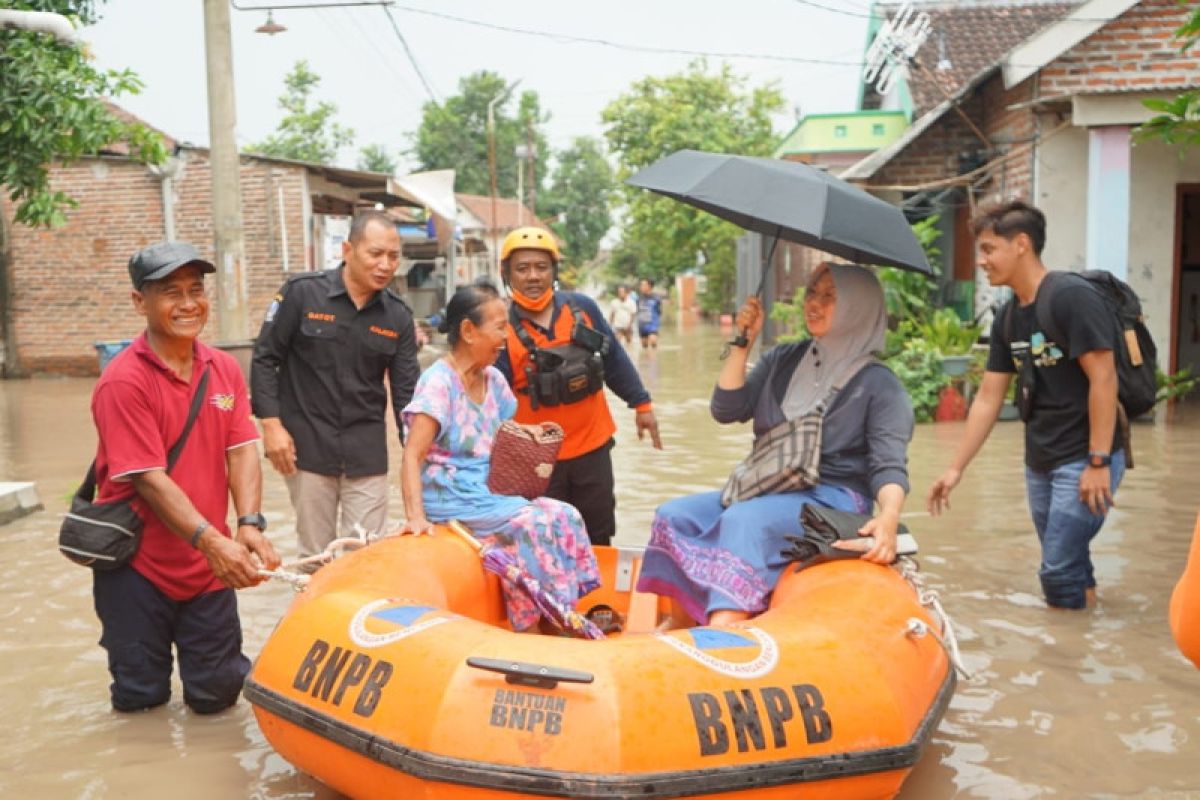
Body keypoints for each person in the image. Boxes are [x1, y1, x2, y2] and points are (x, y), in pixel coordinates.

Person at [636, 264, 914, 626]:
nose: (813, 304)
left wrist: (889, 516)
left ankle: (724, 633)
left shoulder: (880, 384)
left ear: (857, 308)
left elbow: (889, 464)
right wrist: (742, 344)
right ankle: (681, 624)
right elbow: (727, 409)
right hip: (768, 487)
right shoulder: (784, 359)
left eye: (829, 297)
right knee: (674, 515)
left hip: (833, 498)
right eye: (812, 292)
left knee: (742, 520)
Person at [89, 241, 281, 713]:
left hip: (207, 571)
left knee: (218, 696)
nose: (189, 303)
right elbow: (148, 478)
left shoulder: (224, 369)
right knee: (140, 700)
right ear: (141, 302)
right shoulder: (123, 381)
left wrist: (249, 524)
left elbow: (241, 448)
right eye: (171, 292)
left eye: (196, 289)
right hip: (135, 566)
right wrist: (216, 544)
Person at [927, 200, 1124, 610]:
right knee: (1069, 561)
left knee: (1055, 568)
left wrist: (1099, 461)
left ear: (1021, 244)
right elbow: (987, 398)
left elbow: (1104, 377)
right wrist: (954, 468)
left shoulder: (1070, 297)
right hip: (1041, 459)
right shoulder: (1008, 317)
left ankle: (1063, 659)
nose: (981, 261)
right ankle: (1084, 633)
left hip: (1085, 456)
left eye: (987, 249)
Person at [398, 284, 601, 633]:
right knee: (532, 523)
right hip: (452, 495)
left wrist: (531, 434)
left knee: (566, 514)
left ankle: (561, 612)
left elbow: (502, 432)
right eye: (499, 327)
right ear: (467, 331)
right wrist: (415, 517)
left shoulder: (494, 379)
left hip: (489, 490)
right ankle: (539, 625)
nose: (506, 336)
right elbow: (412, 455)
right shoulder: (438, 384)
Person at [251, 210, 420, 562]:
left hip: (367, 454)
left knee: (366, 555)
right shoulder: (302, 295)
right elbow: (265, 358)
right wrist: (271, 426)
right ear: (348, 250)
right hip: (306, 449)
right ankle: (307, 617)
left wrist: (419, 456)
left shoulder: (398, 316)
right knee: (314, 557)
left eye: (393, 256)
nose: (386, 265)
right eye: (376, 254)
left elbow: (407, 396)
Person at [494, 226, 663, 547]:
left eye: (541, 268)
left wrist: (642, 405)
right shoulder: (500, 327)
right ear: (508, 274)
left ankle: (597, 595)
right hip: (537, 460)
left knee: (598, 535)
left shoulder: (583, 309)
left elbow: (614, 360)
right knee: (544, 541)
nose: (533, 276)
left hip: (592, 448)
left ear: (553, 272)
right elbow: (490, 402)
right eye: (522, 268)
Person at [636, 277, 663, 349]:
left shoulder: (656, 298)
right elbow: (637, 311)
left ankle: (654, 359)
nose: (641, 287)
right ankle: (646, 360)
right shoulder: (639, 298)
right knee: (644, 347)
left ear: (649, 286)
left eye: (643, 285)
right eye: (641, 285)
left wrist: (657, 323)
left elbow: (659, 311)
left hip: (652, 325)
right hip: (642, 325)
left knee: (653, 342)